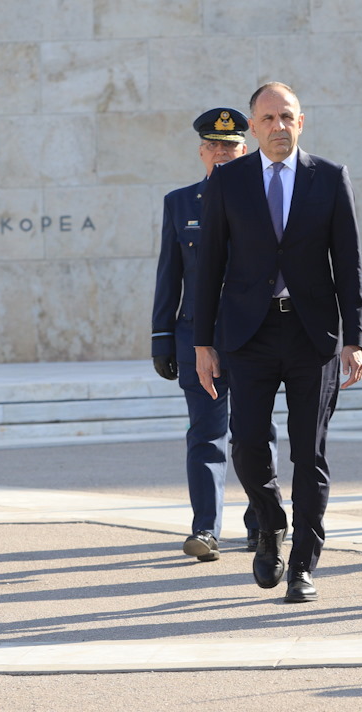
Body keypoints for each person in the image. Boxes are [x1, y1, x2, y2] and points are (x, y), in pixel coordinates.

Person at [194, 82, 362, 604]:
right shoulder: (228, 180)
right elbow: (209, 265)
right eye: (268, 118)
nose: (278, 126)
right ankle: (269, 522)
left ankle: (303, 565)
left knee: (308, 453)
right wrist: (202, 343)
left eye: (287, 116)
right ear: (253, 126)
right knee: (247, 443)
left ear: (301, 121)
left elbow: (348, 263)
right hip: (249, 334)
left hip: (313, 334)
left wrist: (354, 338)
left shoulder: (329, 177)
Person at [152, 107, 277, 561]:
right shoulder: (180, 202)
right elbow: (170, 275)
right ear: (202, 152)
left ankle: (261, 522)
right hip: (195, 338)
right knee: (205, 435)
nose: (221, 153)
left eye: (230, 146)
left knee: (254, 432)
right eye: (213, 146)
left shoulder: (267, 197)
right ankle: (205, 529)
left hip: (253, 336)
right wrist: (161, 338)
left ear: (246, 151)